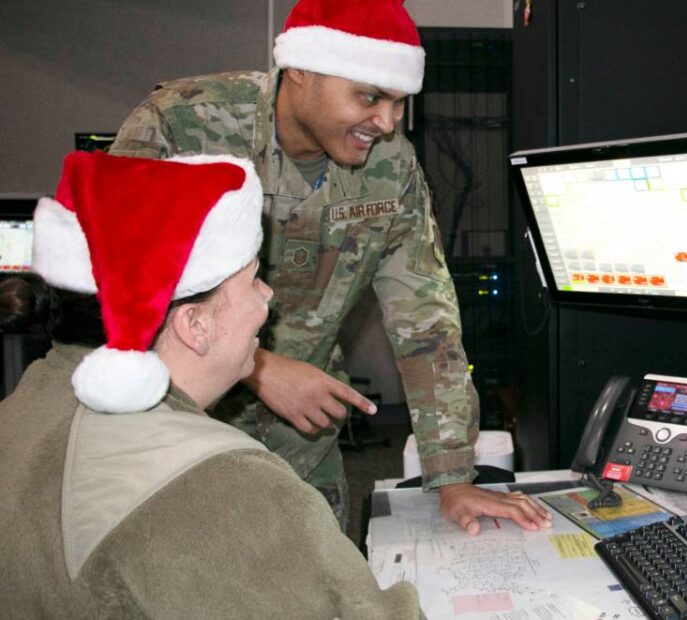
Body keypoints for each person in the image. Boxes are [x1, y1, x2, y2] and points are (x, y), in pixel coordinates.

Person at [109, 0, 552, 534]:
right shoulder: (184, 127)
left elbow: (427, 323)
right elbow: (114, 289)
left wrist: (452, 475)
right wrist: (258, 367)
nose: (387, 123)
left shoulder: (391, 166)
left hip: (305, 442)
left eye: (398, 102)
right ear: (301, 69)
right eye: (370, 97)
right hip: (179, 434)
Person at [0, 151, 422, 618]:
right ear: (194, 324)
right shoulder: (227, 486)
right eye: (253, 278)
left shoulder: (23, 406)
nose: (267, 296)